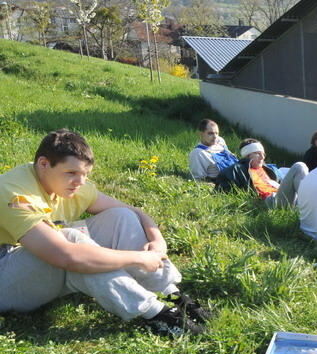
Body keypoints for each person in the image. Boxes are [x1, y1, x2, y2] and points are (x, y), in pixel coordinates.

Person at [0, 130, 207, 335]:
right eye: (71, 173)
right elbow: (66, 255)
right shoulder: (13, 193)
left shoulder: (69, 184)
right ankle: (157, 315)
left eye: (85, 174)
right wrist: (139, 258)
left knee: (121, 217)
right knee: (72, 244)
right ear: (44, 164)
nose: (80, 182)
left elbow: (133, 211)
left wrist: (157, 241)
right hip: (4, 275)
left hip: (33, 257)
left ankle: (172, 295)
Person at [217, 139, 308, 207]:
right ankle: (310, 202)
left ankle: (311, 202)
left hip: (283, 196)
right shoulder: (238, 169)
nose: (262, 157)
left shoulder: (268, 169)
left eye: (263, 154)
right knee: (299, 166)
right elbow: (223, 185)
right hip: (269, 200)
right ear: (248, 155)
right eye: (258, 153)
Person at [188, 118, 238, 183]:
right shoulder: (198, 153)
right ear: (200, 134)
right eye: (210, 133)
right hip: (227, 180)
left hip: (237, 170)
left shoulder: (220, 141)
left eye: (217, 133)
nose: (215, 137)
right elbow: (198, 179)